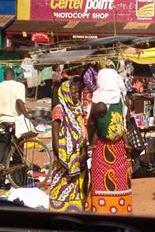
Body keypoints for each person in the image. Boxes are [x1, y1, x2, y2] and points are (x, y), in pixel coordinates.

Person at [86, 68, 132, 214]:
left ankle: (101, 211)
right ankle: (121, 211)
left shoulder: (97, 101)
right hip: (120, 148)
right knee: (121, 183)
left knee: (100, 182)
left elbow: (91, 125)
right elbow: (125, 121)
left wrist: (90, 141)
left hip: (102, 148)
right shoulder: (122, 99)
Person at [49, 76, 89, 212]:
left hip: (79, 156)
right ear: (66, 92)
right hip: (63, 157)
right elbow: (55, 133)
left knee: (78, 185)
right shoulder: (59, 109)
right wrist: (59, 155)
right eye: (73, 92)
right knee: (63, 184)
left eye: (78, 92)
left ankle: (78, 209)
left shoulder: (78, 109)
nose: (76, 94)